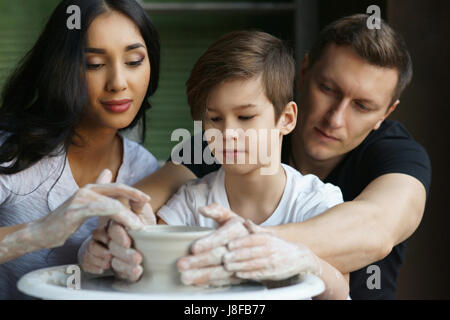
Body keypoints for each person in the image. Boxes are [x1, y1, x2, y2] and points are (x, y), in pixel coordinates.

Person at [83, 14, 431, 299]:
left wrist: (245, 250)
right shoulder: (225, 138)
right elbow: (154, 197)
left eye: (362, 106)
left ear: (387, 113)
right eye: (328, 89)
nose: (335, 118)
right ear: (304, 71)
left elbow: (377, 228)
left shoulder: (396, 154)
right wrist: (116, 236)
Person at [0, 0, 160, 299]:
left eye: (134, 61)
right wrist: (39, 232)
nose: (118, 83)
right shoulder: (11, 151)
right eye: (94, 64)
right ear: (60, 68)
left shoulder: (146, 171)